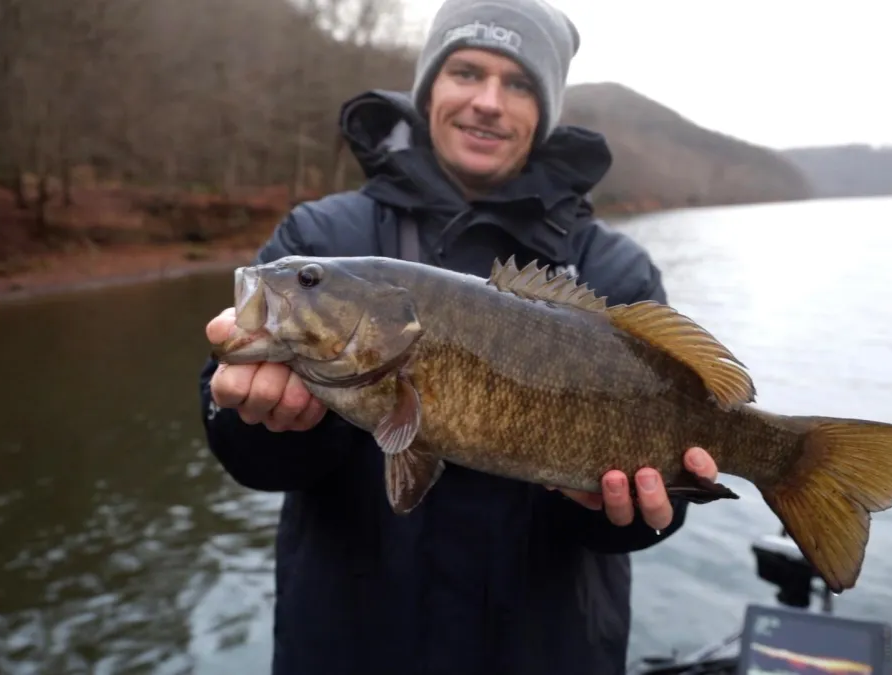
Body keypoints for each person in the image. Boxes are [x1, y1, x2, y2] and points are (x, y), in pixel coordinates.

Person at [198, 0, 720, 673]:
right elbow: (245, 456)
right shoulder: (320, 241)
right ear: (429, 90)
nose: (488, 102)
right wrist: (258, 418)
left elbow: (660, 501)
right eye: (466, 71)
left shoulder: (611, 270)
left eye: (519, 83)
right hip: (348, 648)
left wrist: (629, 508)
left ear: (544, 109)